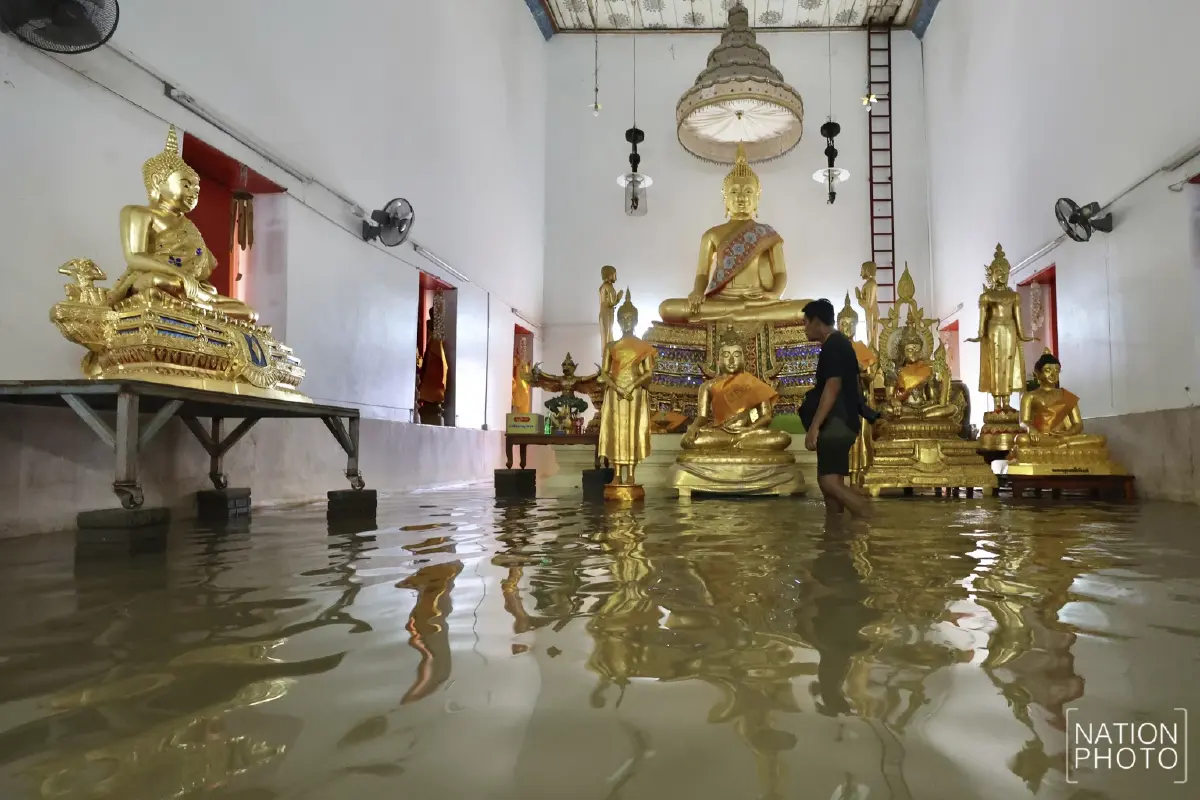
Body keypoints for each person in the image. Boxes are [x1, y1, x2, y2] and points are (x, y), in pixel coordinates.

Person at [800, 299, 871, 518]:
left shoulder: (834, 345)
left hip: (836, 423)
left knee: (828, 481)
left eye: (806, 323)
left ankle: (871, 519)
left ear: (816, 321)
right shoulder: (839, 344)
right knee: (831, 485)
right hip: (844, 421)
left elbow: (833, 386)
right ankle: (835, 533)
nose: (804, 328)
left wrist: (814, 427)